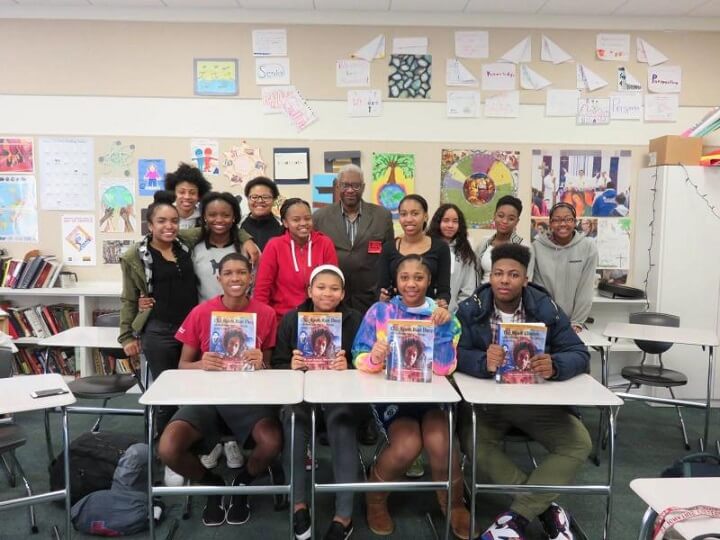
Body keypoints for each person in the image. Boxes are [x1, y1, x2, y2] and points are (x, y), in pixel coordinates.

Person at [455, 243, 591, 540]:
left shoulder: (547, 309)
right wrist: (482, 362)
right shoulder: (471, 309)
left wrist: (555, 365)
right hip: (487, 403)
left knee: (579, 442)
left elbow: (579, 354)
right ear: (489, 277)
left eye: (513, 275)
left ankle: (516, 517)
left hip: (535, 401)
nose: (505, 280)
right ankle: (544, 507)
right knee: (472, 442)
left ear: (525, 279)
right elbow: (454, 353)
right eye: (498, 273)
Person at [352, 255, 474, 540]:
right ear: (396, 281)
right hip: (392, 395)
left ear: (429, 281)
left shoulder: (444, 317)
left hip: (432, 396)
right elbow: (357, 356)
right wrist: (374, 357)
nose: (411, 284)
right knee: (408, 443)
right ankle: (375, 499)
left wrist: (443, 329)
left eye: (418, 278)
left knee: (440, 440)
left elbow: (446, 367)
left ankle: (454, 503)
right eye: (404, 277)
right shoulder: (380, 312)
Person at [157, 253, 282, 528]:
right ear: (218, 278)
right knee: (168, 447)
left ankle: (243, 481)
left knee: (272, 442)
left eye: (241, 273)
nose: (235, 278)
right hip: (208, 398)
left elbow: (270, 366)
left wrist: (262, 362)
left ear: (250, 277)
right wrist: (201, 363)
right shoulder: (201, 312)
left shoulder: (266, 313)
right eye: (228, 273)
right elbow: (182, 365)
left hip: (249, 399)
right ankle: (212, 484)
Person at [272, 265, 363, 540]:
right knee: (293, 421)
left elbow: (367, 363)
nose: (327, 293)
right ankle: (299, 505)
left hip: (339, 396)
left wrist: (348, 365)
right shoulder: (291, 320)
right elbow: (276, 364)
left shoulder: (355, 320)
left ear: (343, 293)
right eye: (321, 287)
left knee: (343, 424)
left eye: (334, 288)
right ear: (309, 291)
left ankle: (343, 517)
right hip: (301, 395)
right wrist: (290, 364)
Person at [118, 191, 197, 438]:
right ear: (150, 225)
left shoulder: (185, 242)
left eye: (174, 220)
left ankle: (193, 442)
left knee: (195, 390)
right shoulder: (135, 255)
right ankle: (165, 448)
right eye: (161, 221)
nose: (169, 226)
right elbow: (129, 298)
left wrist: (246, 238)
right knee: (167, 392)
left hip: (192, 331)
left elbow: (222, 227)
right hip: (159, 330)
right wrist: (127, 337)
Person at [312, 164, 394, 314]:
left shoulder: (382, 216)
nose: (350, 190)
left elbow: (389, 256)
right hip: (332, 297)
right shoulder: (319, 217)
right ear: (337, 187)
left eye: (355, 186)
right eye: (345, 185)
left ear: (363, 187)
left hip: (370, 297)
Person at [253, 198, 338, 323]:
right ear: (285, 223)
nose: (303, 223)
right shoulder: (274, 246)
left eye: (307, 218)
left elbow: (333, 284)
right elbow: (262, 289)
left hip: (318, 319)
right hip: (282, 320)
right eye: (296, 220)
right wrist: (263, 321)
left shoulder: (325, 243)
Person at [531, 202, 598, 332]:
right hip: (543, 321)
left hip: (573, 324)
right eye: (557, 220)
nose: (562, 224)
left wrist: (577, 322)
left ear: (575, 222)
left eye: (568, 219)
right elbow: (537, 289)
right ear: (550, 223)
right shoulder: (536, 247)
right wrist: (544, 319)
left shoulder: (588, 247)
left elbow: (585, 288)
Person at [376, 194, 451, 308]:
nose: (409, 219)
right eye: (403, 214)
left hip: (428, 314)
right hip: (396, 314)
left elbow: (444, 290)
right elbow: (381, 287)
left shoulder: (441, 248)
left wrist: (442, 302)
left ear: (425, 216)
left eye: (415, 213)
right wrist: (383, 296)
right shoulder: (388, 248)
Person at [427, 203, 478, 313]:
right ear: (438, 222)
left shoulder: (465, 253)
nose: (450, 225)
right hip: (424, 311)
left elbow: (468, 290)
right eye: (446, 220)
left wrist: (456, 312)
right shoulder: (426, 246)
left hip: (451, 315)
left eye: (455, 221)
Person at [475, 195, 532, 284]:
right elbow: (475, 275)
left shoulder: (524, 246)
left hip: (510, 296)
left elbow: (527, 282)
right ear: (494, 216)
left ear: (517, 221)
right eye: (501, 216)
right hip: (483, 295)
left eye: (511, 218)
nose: (504, 221)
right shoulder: (484, 243)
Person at [239, 176, 284, 251]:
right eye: (254, 197)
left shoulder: (283, 227)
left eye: (265, 197)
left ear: (274, 200)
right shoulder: (238, 225)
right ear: (247, 199)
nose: (259, 201)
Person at [164, 162, 213, 230]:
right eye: (182, 192)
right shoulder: (165, 216)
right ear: (173, 193)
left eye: (192, 193)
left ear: (199, 195)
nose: (187, 197)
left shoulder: (205, 218)